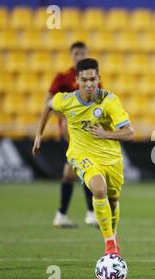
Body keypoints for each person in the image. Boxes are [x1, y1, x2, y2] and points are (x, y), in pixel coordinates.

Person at [33, 58, 134, 255]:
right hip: (81, 155)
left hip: (111, 158)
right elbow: (48, 106)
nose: (89, 84)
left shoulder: (109, 100)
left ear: (99, 79)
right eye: (85, 80)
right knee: (98, 188)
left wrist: (107, 134)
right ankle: (109, 244)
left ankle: (113, 236)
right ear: (77, 79)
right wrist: (39, 134)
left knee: (113, 201)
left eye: (93, 79)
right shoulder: (66, 100)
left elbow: (129, 132)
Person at [45, 41, 99, 228]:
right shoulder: (63, 77)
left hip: (87, 131)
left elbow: (99, 102)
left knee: (72, 173)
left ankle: (62, 215)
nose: (79, 56)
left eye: (82, 53)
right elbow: (49, 102)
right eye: (76, 53)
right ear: (71, 56)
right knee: (84, 169)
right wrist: (65, 118)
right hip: (70, 133)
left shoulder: (92, 78)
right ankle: (89, 214)